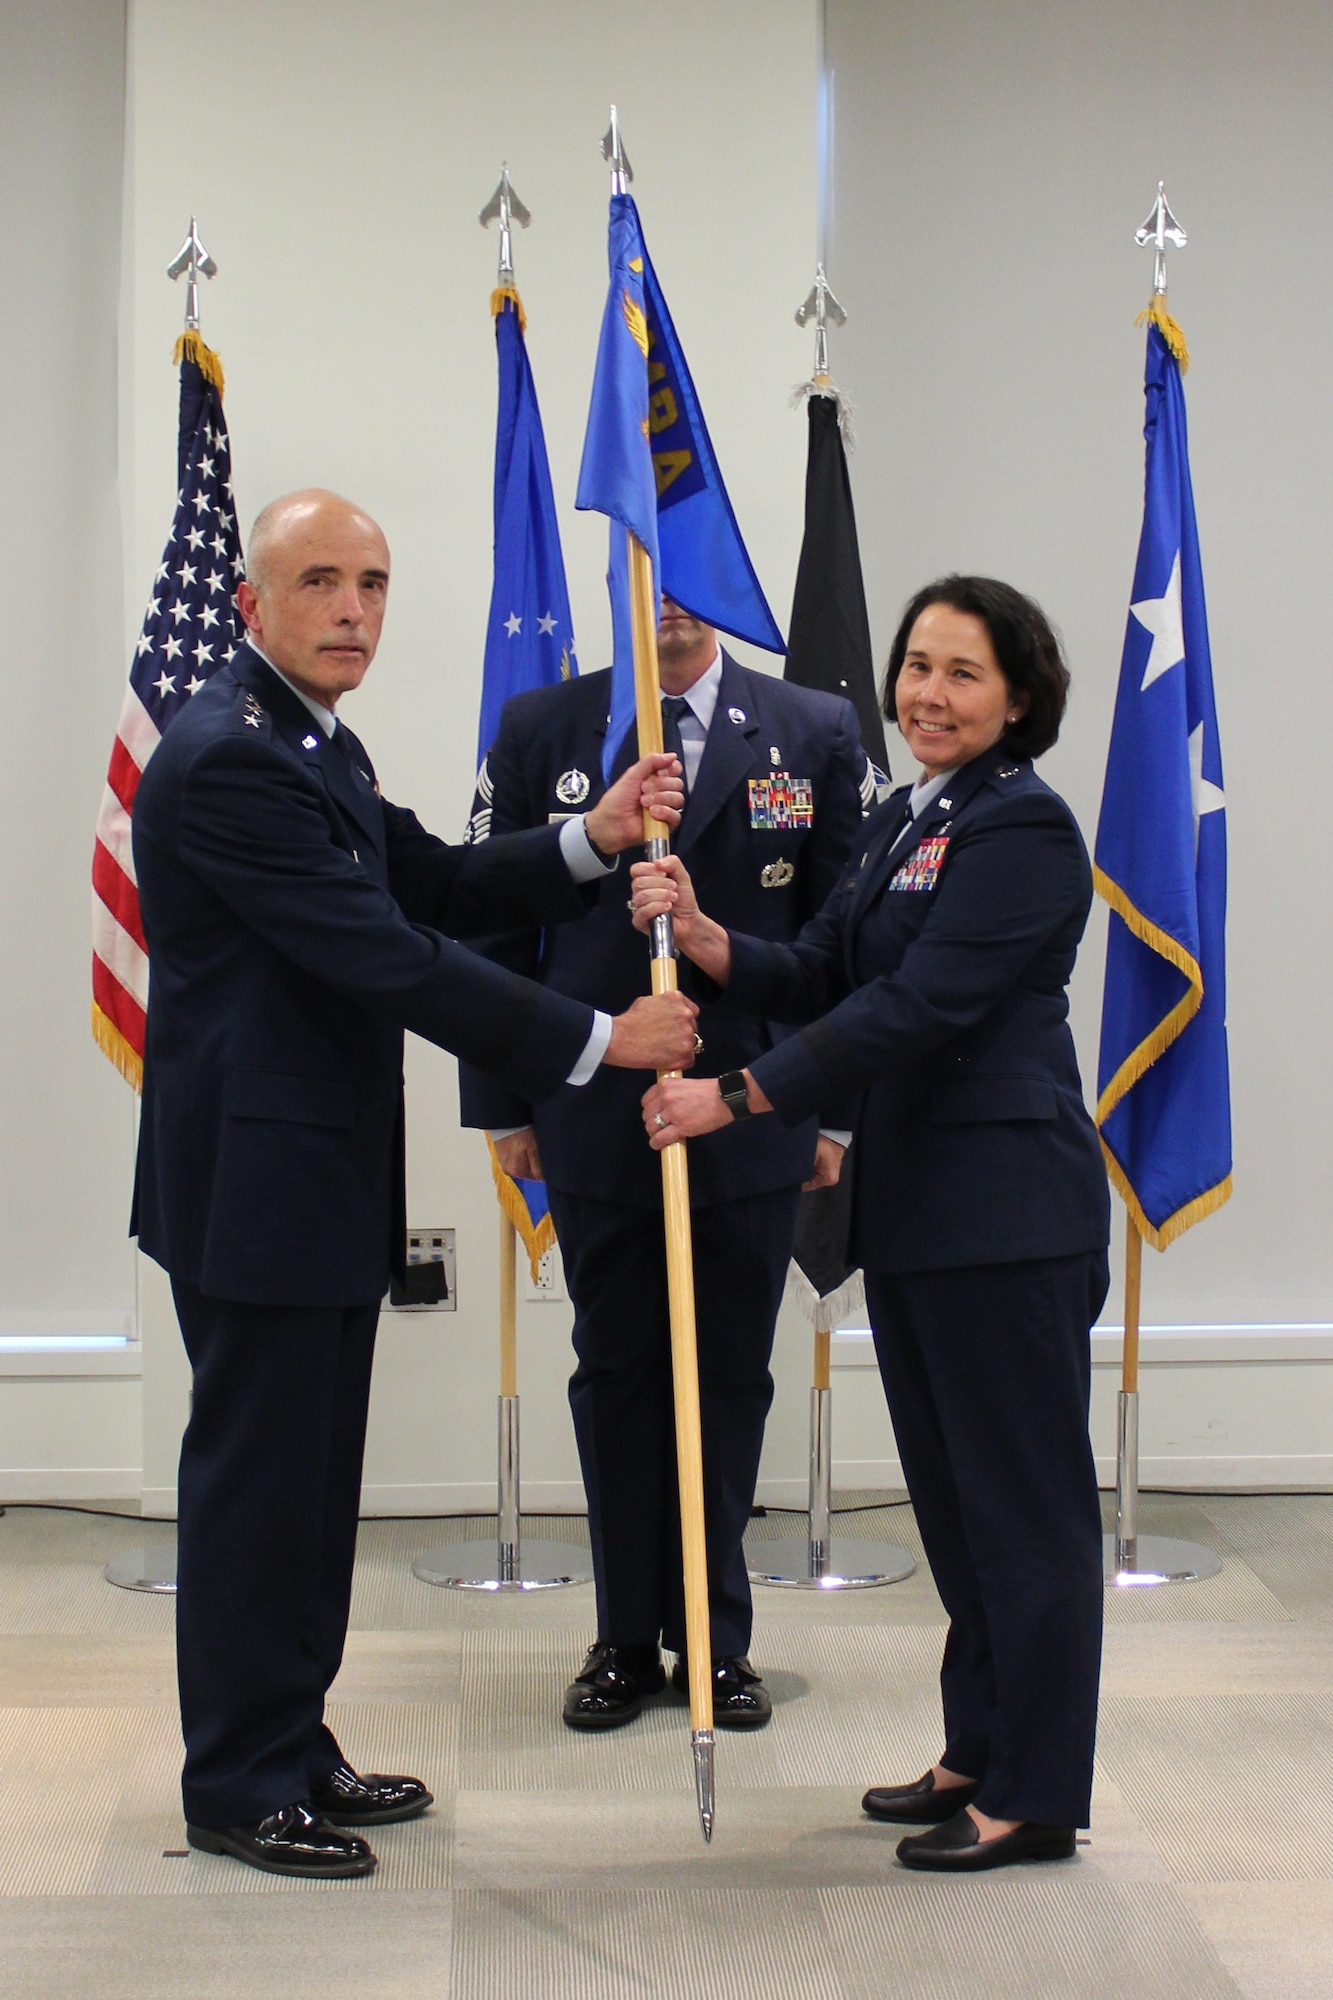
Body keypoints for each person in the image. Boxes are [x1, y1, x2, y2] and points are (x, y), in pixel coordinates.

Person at [130, 490, 698, 1880]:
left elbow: (433, 879)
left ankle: (290, 1738)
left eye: (374, 583)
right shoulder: (230, 759)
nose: (355, 611)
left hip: (311, 1177)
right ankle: (237, 1779)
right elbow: (385, 955)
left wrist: (594, 839)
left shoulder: (314, 741)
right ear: (251, 603)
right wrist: (591, 1041)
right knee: (260, 1488)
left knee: (310, 1488)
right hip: (256, 1185)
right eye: (321, 582)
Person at [633, 576, 1111, 1872]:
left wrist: (737, 1094)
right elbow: (824, 971)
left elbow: (915, 1011)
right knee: (958, 1511)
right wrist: (708, 935)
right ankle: (979, 1746)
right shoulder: (909, 818)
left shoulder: (1024, 831)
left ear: (1019, 696)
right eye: (914, 666)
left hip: (1006, 1214)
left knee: (1026, 1513)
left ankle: (1039, 1791)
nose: (926, 694)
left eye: (961, 672)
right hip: (916, 1215)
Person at [459, 598, 872, 1731]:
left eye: (693, 580)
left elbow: (848, 943)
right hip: (591, 1108)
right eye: (653, 580)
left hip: (749, 1110)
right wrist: (501, 1101)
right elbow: (494, 920)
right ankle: (622, 1637)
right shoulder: (546, 722)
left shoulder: (817, 727)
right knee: (618, 1374)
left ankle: (714, 1637)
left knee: (729, 1379)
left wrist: (829, 1114)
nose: (671, 605)